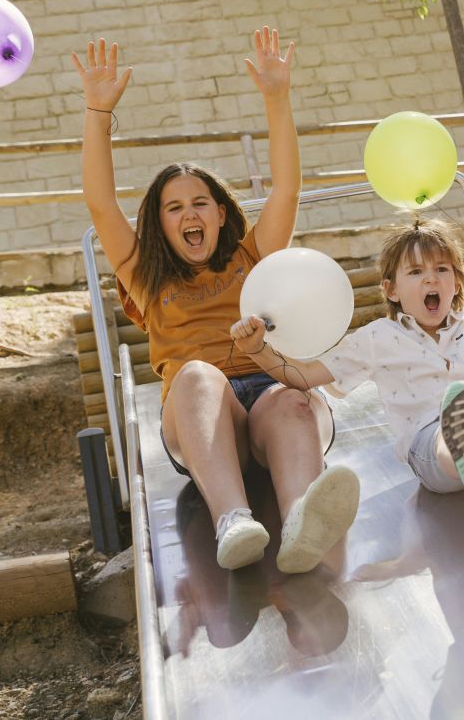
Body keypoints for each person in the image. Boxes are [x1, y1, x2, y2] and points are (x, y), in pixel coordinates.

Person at [72, 29, 359, 573]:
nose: (189, 215)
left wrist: (277, 96)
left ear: (221, 213)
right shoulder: (146, 275)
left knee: (291, 396)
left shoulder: (253, 255)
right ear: (158, 224)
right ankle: (233, 520)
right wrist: (98, 111)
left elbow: (286, 190)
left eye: (200, 202)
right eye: (174, 207)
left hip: (272, 394)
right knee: (199, 375)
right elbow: (101, 203)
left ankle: (303, 520)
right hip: (205, 416)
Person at [231, 220, 464, 555]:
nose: (432, 278)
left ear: (457, 282)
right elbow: (303, 376)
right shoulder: (377, 338)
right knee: (454, 424)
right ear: (392, 290)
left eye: (441, 269)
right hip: (432, 447)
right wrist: (258, 350)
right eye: (416, 272)